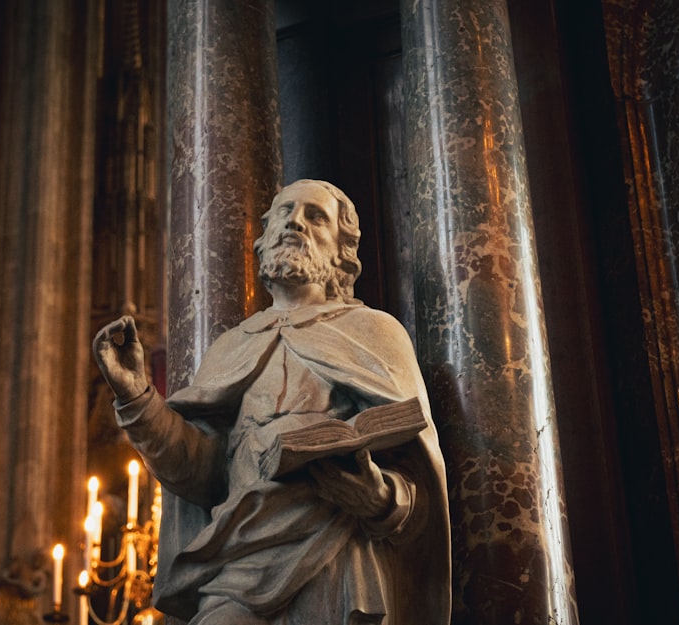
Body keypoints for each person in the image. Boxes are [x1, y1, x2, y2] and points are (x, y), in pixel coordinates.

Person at [93, 179, 450, 625]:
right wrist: (138, 397)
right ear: (262, 240)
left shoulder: (374, 334)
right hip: (236, 554)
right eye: (284, 213)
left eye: (314, 216)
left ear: (342, 250)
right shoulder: (231, 346)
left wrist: (378, 497)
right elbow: (204, 473)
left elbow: (419, 476)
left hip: (331, 553)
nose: (294, 223)